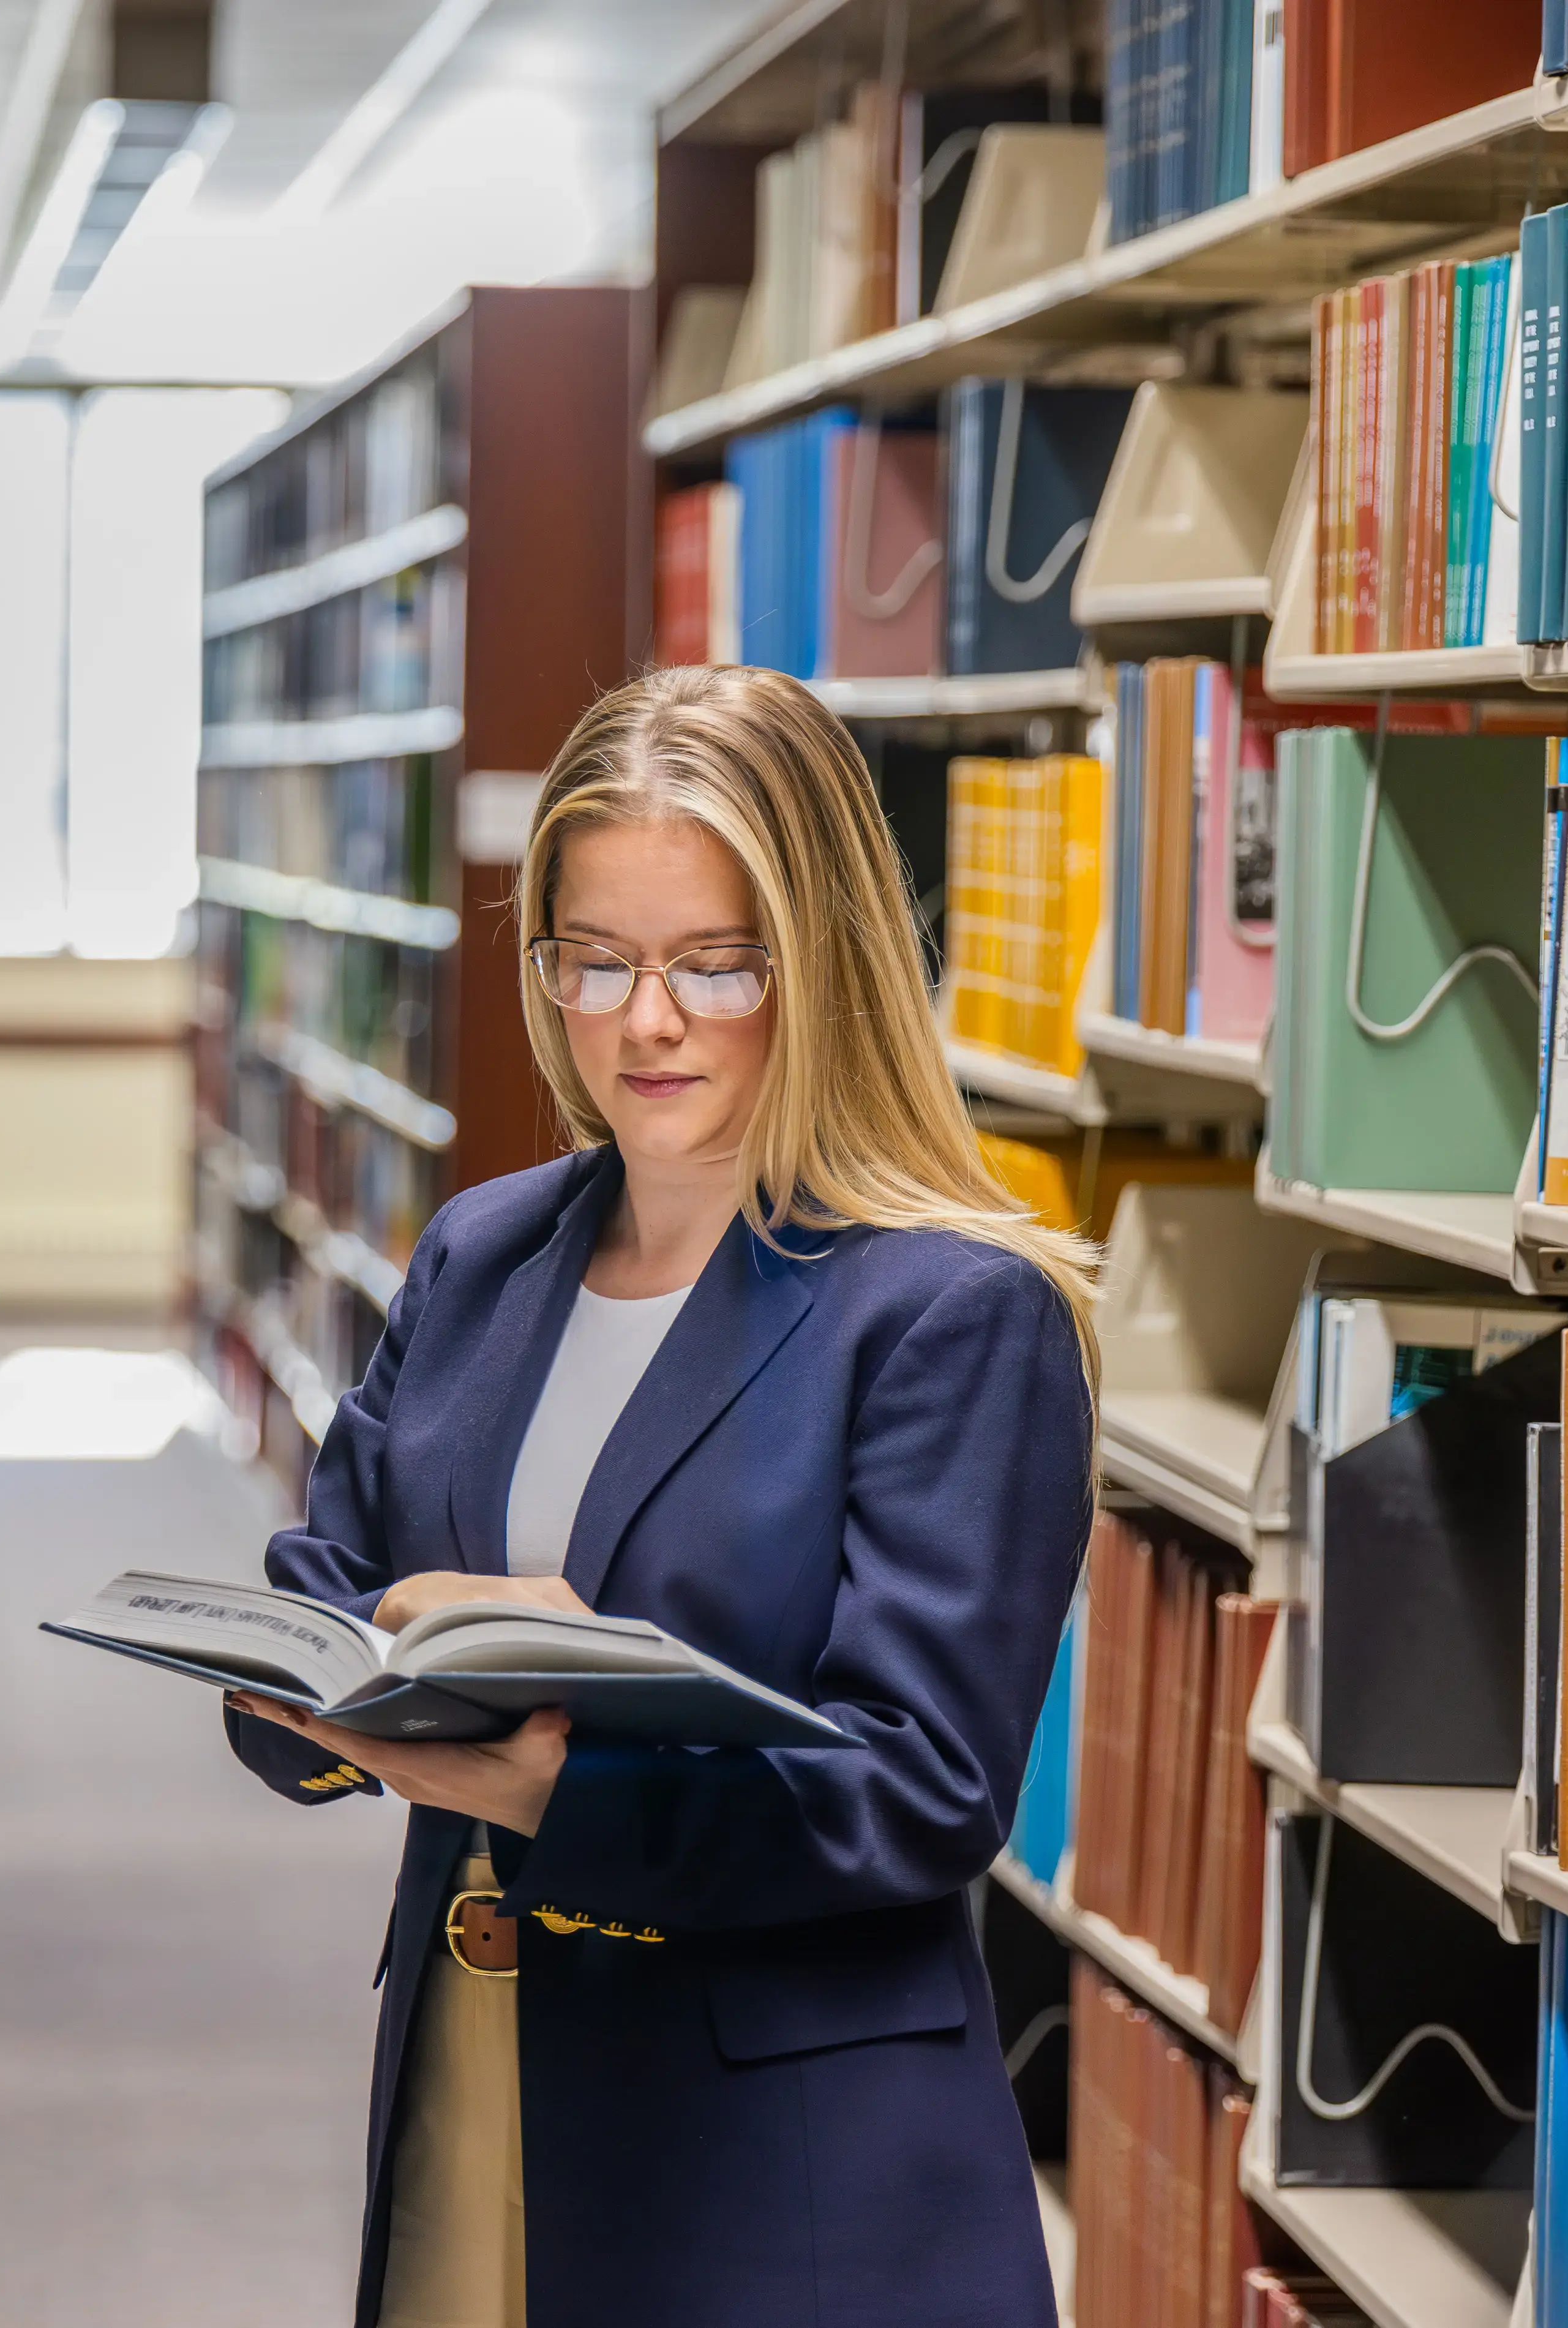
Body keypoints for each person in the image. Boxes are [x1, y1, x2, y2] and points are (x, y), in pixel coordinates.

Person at [220, 664, 1100, 2328]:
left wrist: (552, 1769)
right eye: (594, 961)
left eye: (714, 963)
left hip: (780, 2160)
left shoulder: (945, 1310)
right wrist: (307, 1704)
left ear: (823, 958)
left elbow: (915, 1792)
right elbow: (326, 1578)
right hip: (480, 2062)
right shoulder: (489, 1251)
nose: (644, 1021)